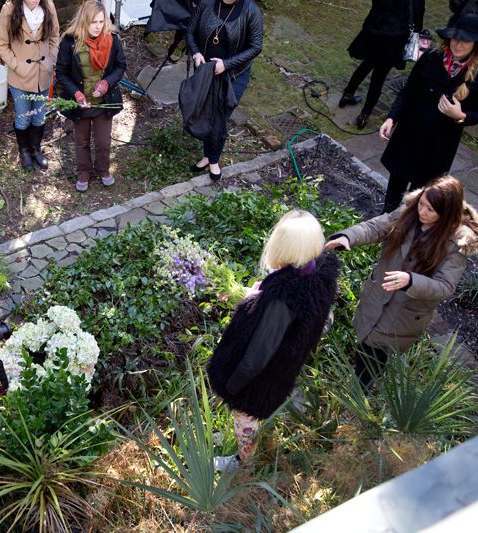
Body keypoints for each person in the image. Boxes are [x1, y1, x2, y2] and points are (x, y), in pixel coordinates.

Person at [206, 211, 340, 471]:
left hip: (259, 382)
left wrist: (232, 387)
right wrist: (253, 297)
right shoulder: (316, 274)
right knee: (251, 417)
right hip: (283, 370)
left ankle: (244, 461)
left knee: (246, 419)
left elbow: (256, 357)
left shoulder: (283, 298)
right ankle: (246, 439)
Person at [325, 176, 478, 388]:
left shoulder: (456, 243)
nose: (422, 212)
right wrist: (348, 237)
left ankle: (360, 396)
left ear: (446, 214)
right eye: (421, 204)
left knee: (374, 359)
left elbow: (445, 287)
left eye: (430, 210)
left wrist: (411, 281)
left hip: (403, 315)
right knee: (366, 344)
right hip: (377, 297)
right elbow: (377, 227)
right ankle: (360, 382)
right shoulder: (410, 212)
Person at [378, 14, 478, 213]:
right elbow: (408, 91)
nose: (458, 45)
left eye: (465, 41)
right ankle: (385, 219)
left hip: (439, 145)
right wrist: (391, 118)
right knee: (395, 185)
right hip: (410, 133)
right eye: (455, 39)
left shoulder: (476, 75)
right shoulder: (431, 58)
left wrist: (461, 116)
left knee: (420, 194)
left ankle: (406, 224)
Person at [185, 0, 263, 180]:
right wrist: (196, 52)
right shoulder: (206, 3)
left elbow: (256, 46)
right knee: (206, 113)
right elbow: (190, 32)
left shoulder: (251, 11)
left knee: (220, 117)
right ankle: (207, 156)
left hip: (234, 74)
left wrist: (226, 65)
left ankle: (213, 160)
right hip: (206, 72)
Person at [56, 1, 127, 192]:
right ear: (84, 21)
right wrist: (77, 94)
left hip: (103, 102)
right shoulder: (70, 42)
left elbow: (120, 66)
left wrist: (106, 83)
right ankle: (84, 172)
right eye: (93, 22)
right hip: (81, 104)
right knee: (82, 141)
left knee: (103, 142)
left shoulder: (112, 40)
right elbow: (61, 73)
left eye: (101, 22)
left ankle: (103, 169)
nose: (98, 26)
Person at [339, 0, 425, 130]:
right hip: (394, 37)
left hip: (376, 29)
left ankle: (347, 95)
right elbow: (418, 12)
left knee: (366, 65)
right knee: (378, 77)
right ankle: (364, 115)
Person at [0, 0, 59, 171]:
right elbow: (1, 43)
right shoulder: (9, 9)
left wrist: (51, 60)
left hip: (43, 74)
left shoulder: (48, 6)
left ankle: (36, 150)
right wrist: (16, 65)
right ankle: (24, 152)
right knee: (23, 118)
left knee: (39, 115)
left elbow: (54, 36)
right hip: (20, 77)